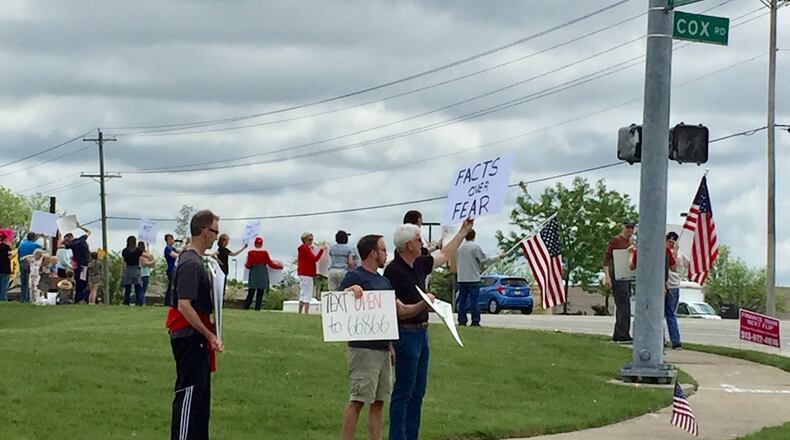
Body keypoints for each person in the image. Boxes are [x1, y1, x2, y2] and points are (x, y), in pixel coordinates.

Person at [339, 234, 436, 440]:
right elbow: (337, 304)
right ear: (373, 253)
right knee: (358, 399)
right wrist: (349, 291)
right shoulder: (355, 276)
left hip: (383, 349)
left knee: (379, 401)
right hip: (363, 349)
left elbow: (398, 312)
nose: (386, 254)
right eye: (382, 250)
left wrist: (423, 304)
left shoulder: (384, 282)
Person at [384, 216, 474, 440]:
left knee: (418, 391)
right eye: (418, 239)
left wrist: (463, 231)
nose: (423, 242)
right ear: (408, 245)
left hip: (422, 333)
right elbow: (398, 310)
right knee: (404, 390)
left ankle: (411, 435)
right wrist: (424, 304)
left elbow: (444, 254)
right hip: (405, 333)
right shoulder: (393, 271)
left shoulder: (420, 264)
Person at [165, 209, 223, 440]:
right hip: (189, 337)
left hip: (196, 338)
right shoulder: (190, 263)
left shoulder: (198, 261)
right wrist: (209, 335)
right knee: (188, 395)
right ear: (204, 231)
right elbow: (184, 306)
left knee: (200, 398)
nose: (217, 237)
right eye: (215, 231)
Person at [455, 228, 500, 327]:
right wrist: (498, 257)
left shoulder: (459, 248)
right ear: (474, 236)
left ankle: (462, 320)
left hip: (462, 278)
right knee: (474, 301)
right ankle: (475, 320)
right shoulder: (475, 247)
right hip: (473, 278)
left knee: (462, 301)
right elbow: (484, 259)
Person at [602, 221, 636, 344]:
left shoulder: (630, 242)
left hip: (626, 276)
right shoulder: (616, 240)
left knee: (624, 305)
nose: (630, 230)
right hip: (617, 275)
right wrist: (607, 276)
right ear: (623, 228)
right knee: (623, 305)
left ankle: (618, 334)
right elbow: (606, 258)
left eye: (632, 228)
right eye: (628, 228)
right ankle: (623, 335)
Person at [243, 236, 282, 311]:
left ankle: (246, 307)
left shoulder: (250, 252)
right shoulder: (264, 253)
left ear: (255, 244)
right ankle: (257, 309)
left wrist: (246, 265)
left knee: (251, 292)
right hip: (262, 273)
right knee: (260, 293)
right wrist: (279, 266)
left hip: (254, 273)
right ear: (261, 244)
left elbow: (248, 265)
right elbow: (270, 264)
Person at [665, 232, 687, 349]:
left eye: (674, 240)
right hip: (662, 286)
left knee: (671, 315)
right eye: (669, 240)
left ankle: (676, 341)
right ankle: (660, 340)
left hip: (673, 286)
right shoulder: (663, 252)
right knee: (658, 316)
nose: (671, 242)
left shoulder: (680, 255)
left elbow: (685, 265)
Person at [62, 224, 91, 303]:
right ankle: (81, 298)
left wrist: (64, 239)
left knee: (79, 281)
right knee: (83, 281)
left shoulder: (72, 244)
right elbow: (89, 232)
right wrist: (80, 227)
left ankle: (79, 298)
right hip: (84, 264)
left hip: (78, 265)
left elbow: (61, 244)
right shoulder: (81, 239)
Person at [296, 232, 325, 314]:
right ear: (305, 240)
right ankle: (306, 312)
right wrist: (321, 250)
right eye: (310, 239)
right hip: (307, 273)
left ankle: (300, 311)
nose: (311, 241)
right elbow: (314, 259)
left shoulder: (303, 248)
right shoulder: (305, 248)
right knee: (308, 293)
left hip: (302, 273)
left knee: (303, 293)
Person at [17, 232, 44, 303]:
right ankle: (29, 297)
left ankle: (22, 298)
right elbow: (42, 250)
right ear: (34, 238)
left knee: (23, 281)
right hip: (31, 262)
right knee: (30, 280)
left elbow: (18, 253)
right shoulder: (35, 245)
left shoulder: (22, 245)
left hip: (22, 262)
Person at [121, 236, 144, 306]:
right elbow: (142, 256)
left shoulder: (125, 251)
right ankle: (139, 302)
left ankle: (126, 301)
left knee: (128, 288)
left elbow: (124, 261)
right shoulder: (138, 251)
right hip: (136, 269)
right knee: (138, 287)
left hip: (128, 269)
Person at [164, 234, 181, 306]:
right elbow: (175, 255)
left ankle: (168, 301)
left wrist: (186, 246)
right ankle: (169, 301)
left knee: (171, 285)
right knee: (172, 285)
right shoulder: (167, 248)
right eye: (170, 239)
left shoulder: (172, 248)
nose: (171, 241)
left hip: (174, 268)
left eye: (172, 239)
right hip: (171, 269)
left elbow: (179, 250)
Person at [0, 232, 12, 301]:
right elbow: (10, 256)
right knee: (4, 286)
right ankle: (3, 299)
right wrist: (10, 246)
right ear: (6, 239)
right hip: (5, 269)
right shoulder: (7, 247)